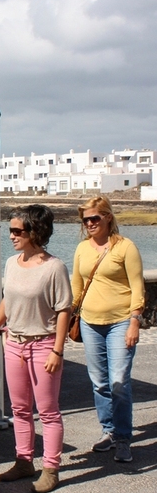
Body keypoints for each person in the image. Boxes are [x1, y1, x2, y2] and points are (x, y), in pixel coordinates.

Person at [0, 206, 72, 493]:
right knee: (19, 409)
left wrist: (57, 350)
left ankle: (51, 468)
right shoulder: (12, 263)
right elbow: (7, 300)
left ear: (35, 232)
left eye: (16, 231)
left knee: (48, 411)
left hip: (43, 344)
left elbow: (64, 310)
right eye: (10, 230)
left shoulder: (54, 267)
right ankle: (24, 462)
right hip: (14, 343)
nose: (11, 236)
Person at [71, 195, 145, 463]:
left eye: (94, 218)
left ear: (108, 217)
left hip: (121, 321)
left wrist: (135, 321)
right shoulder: (82, 248)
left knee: (119, 382)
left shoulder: (125, 247)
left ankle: (123, 438)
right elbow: (77, 285)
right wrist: (68, 314)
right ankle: (109, 431)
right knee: (100, 382)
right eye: (85, 220)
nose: (90, 223)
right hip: (90, 323)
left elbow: (137, 286)